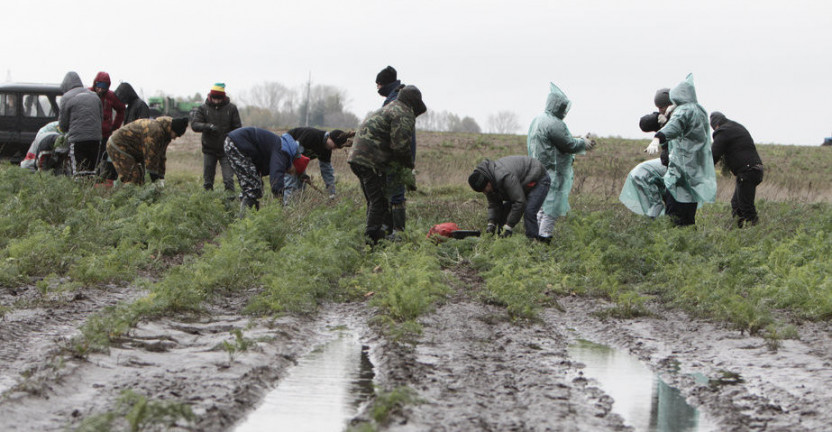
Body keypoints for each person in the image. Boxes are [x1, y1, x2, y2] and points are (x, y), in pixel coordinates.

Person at [349, 84, 426, 245]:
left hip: (357, 157)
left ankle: (376, 237)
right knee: (380, 202)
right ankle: (371, 242)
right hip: (370, 160)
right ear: (414, 103)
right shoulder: (403, 113)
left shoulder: (391, 107)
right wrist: (408, 169)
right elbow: (400, 147)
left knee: (374, 201)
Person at [526, 82, 596, 242]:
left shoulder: (538, 119)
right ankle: (544, 239)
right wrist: (583, 143)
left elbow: (558, 141)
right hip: (553, 171)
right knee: (551, 208)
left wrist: (578, 139)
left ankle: (535, 239)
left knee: (542, 206)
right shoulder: (555, 123)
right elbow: (568, 144)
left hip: (537, 169)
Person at [645, 74, 717, 226]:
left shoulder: (684, 111)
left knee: (674, 216)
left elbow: (674, 126)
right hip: (695, 172)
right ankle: (690, 245)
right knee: (688, 216)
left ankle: (676, 246)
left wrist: (658, 137)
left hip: (681, 171)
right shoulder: (700, 111)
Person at [224, 126, 310, 211]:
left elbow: (259, 168)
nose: (290, 173)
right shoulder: (282, 151)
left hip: (235, 143)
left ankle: (251, 218)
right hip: (237, 143)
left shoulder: (282, 147)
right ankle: (245, 221)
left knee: (255, 187)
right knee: (252, 189)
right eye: (294, 172)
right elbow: (276, 176)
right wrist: (280, 199)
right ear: (294, 164)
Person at [467, 156, 551, 240]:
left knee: (529, 211)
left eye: (484, 189)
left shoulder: (504, 176)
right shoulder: (488, 180)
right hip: (522, 184)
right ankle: (501, 240)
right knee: (504, 212)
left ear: (488, 182)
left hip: (538, 178)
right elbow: (494, 205)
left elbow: (519, 202)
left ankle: (534, 243)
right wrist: (491, 224)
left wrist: (508, 227)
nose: (484, 192)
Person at [375, 66, 416, 234]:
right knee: (393, 192)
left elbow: (394, 136)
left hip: (396, 156)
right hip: (402, 154)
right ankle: (393, 230)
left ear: (384, 84)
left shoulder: (393, 101)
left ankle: (394, 232)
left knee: (394, 193)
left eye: (378, 85)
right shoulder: (401, 97)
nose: (377, 89)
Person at [710, 112, 764, 227]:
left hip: (747, 171)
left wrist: (704, 170)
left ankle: (754, 232)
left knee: (745, 206)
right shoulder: (736, 126)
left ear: (716, 125)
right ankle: (739, 231)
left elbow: (713, 155)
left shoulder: (723, 131)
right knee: (737, 204)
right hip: (755, 170)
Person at [106, 116, 188, 185]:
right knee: (132, 178)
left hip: (131, 149)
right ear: (172, 129)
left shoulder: (166, 135)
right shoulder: (155, 131)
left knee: (140, 177)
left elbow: (161, 156)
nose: (174, 138)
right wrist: (155, 180)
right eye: (176, 135)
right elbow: (151, 158)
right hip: (118, 145)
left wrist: (161, 177)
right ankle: (122, 200)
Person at [191, 83, 242, 192]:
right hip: (209, 149)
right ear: (211, 96)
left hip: (226, 150)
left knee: (228, 179)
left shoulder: (231, 109)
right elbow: (194, 125)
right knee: (208, 181)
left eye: (219, 99)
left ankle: (230, 203)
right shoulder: (203, 108)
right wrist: (207, 126)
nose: (216, 101)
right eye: (214, 98)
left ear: (223, 98)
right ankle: (208, 202)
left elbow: (238, 129)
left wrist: (233, 142)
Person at [284, 127, 354, 202]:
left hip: (299, 160)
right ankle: (287, 206)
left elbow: (327, 171)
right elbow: (295, 152)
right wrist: (300, 172)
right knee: (291, 182)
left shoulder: (326, 150)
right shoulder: (312, 135)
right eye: (335, 145)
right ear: (329, 138)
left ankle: (296, 206)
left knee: (301, 184)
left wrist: (331, 193)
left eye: (337, 148)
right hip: (287, 151)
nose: (334, 149)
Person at [59, 71, 103, 177]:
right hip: (95, 139)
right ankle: (91, 191)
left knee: (78, 172)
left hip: (77, 140)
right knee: (92, 171)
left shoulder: (66, 98)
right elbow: (101, 118)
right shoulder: (95, 96)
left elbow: (63, 125)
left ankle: (79, 192)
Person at [90, 72, 126, 179]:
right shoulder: (88, 93)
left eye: (103, 87)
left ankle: (103, 180)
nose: (100, 90)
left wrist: (115, 126)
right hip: (91, 134)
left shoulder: (111, 97)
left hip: (105, 134)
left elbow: (121, 110)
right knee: (91, 159)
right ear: (95, 84)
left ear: (107, 86)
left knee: (104, 159)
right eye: (98, 86)